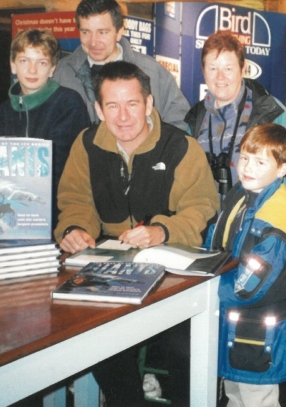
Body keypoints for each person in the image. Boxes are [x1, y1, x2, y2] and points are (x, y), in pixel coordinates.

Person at [54, 61, 218, 406]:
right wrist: (75, 228)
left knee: (182, 347)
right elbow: (74, 198)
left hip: (171, 270)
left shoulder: (181, 147)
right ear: (98, 109)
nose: (123, 116)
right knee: (93, 338)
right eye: (112, 106)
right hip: (107, 270)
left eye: (132, 104)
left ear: (149, 104)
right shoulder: (86, 145)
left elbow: (202, 205)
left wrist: (163, 230)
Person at [205, 123, 286, 407]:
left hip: (258, 328)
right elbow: (218, 237)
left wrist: (207, 291)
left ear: (282, 169)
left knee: (258, 398)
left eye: (260, 161)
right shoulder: (241, 195)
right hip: (238, 323)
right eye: (245, 158)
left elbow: (249, 286)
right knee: (235, 392)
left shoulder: (275, 219)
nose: (248, 167)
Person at [185, 30, 286, 221]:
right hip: (209, 235)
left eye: (228, 68)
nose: (220, 77)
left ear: (243, 70)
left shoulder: (271, 114)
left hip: (258, 238)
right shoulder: (194, 121)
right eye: (212, 68)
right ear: (203, 71)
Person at [0, 29, 90, 228]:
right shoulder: (3, 112)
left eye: (41, 63)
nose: (32, 70)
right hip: (12, 215)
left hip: (59, 216)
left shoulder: (68, 104)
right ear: (12, 65)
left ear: (52, 69)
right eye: (25, 61)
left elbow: (62, 170)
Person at [53, 0, 190, 129]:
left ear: (119, 32)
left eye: (103, 32)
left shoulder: (151, 71)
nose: (93, 42)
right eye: (86, 32)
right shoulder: (61, 72)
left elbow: (179, 122)